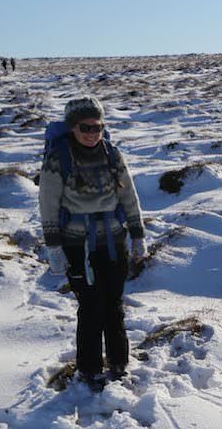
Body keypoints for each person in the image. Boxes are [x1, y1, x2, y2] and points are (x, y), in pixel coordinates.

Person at [39, 97, 147, 388]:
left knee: (113, 304)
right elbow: (48, 204)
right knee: (90, 307)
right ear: (72, 127)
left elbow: (129, 197)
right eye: (84, 126)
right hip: (77, 246)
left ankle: (119, 362)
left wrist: (137, 235)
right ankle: (89, 369)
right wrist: (54, 248)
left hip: (114, 240)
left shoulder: (112, 154)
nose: (91, 132)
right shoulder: (57, 159)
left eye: (97, 126)